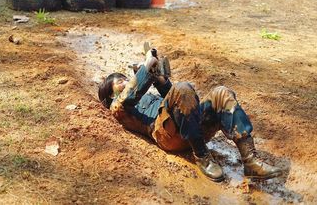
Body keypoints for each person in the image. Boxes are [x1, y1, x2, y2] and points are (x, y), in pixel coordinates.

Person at [98, 48, 282, 182]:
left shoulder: (144, 95)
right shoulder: (117, 107)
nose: (125, 82)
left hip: (189, 127)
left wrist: (157, 77)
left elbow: (176, 96)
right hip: (166, 135)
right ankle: (202, 156)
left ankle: (251, 161)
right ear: (111, 95)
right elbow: (126, 100)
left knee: (221, 92)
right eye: (120, 82)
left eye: (125, 78)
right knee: (183, 88)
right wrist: (146, 68)